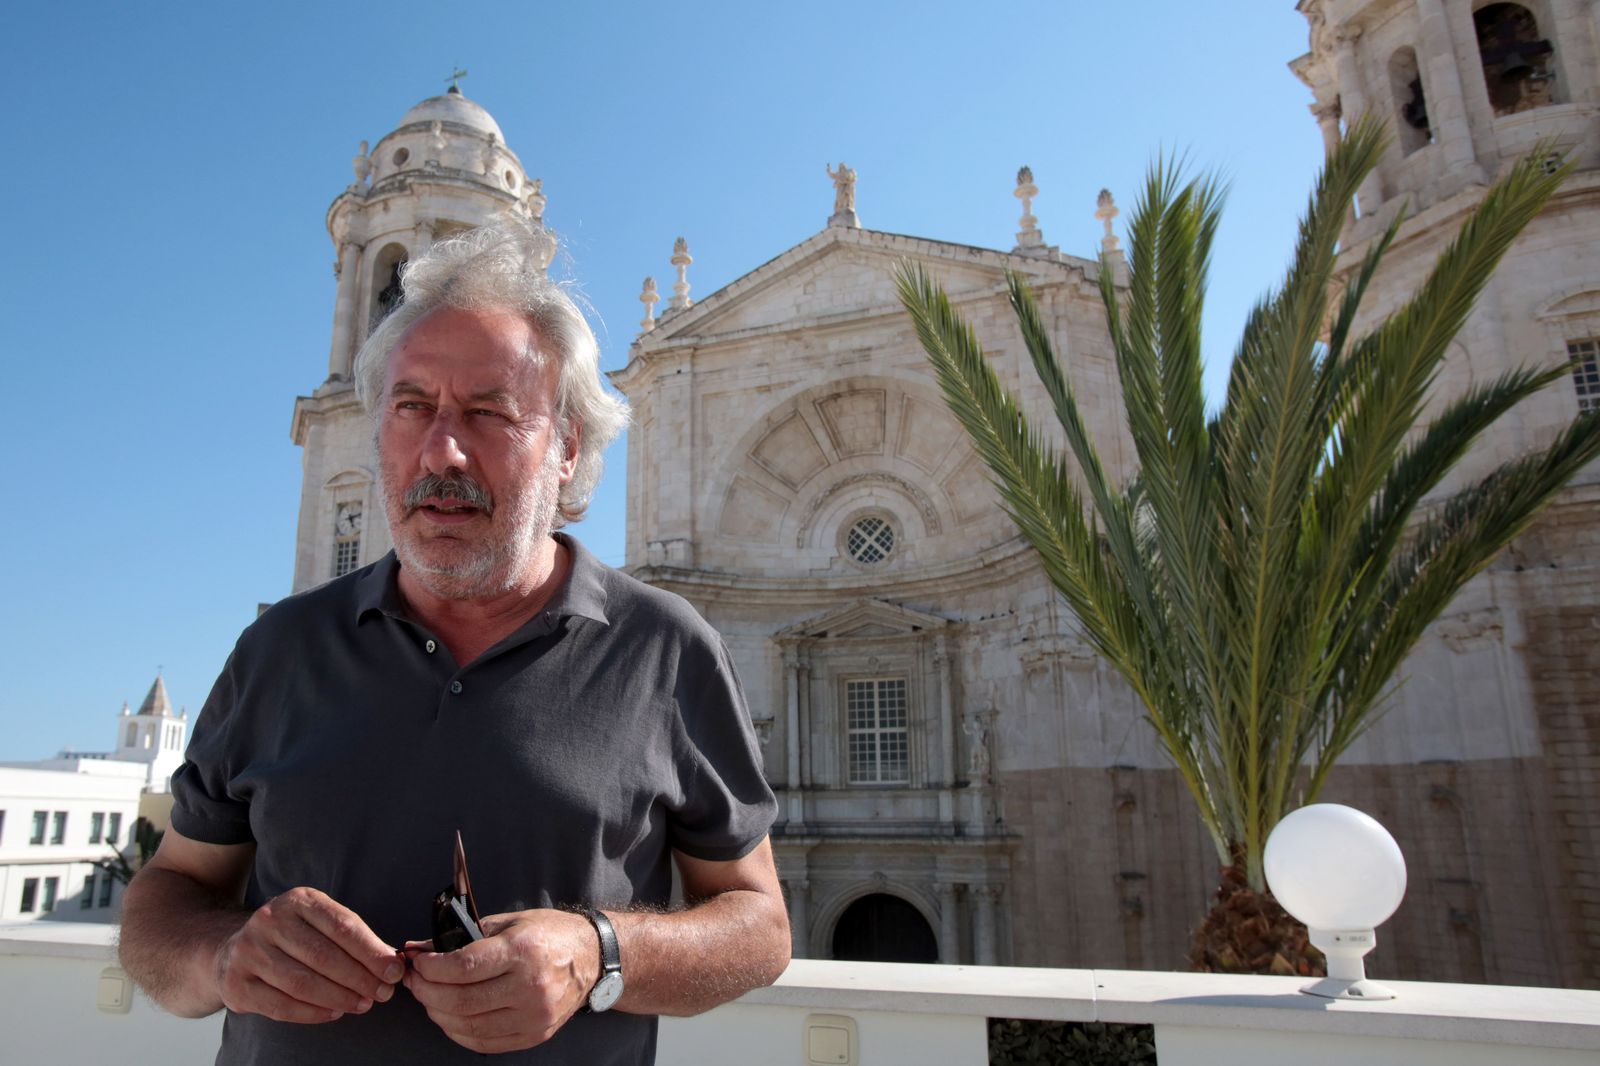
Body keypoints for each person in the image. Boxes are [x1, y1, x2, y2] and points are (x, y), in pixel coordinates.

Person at [119, 221, 791, 1065]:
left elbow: (760, 929)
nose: (441, 448)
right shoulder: (277, 650)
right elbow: (168, 896)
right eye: (412, 408)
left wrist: (596, 954)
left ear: (567, 448)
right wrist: (219, 958)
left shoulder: (666, 649)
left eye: (488, 412)